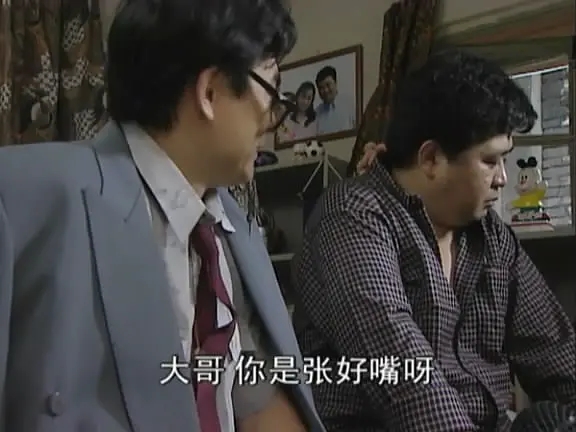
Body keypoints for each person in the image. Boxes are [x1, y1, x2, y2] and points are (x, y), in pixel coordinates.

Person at [0, 0, 324, 431]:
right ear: (210, 92)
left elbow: (255, 394)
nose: (273, 117)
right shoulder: (24, 199)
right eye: (271, 89)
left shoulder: (235, 230)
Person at [292, 50, 576, 431]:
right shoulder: (353, 217)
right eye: (489, 161)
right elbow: (407, 381)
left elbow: (555, 353)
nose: (503, 179)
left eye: (505, 160)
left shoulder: (492, 236)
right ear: (430, 159)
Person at [314, 66, 355, 135]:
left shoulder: (350, 103)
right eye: (321, 88)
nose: (325, 90)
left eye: (328, 85)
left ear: (335, 83)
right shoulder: (316, 114)